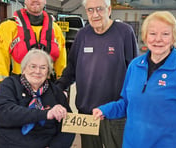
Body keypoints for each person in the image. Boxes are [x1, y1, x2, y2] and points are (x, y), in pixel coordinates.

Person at [93, 11, 176, 148]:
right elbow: (127, 104)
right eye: (153, 33)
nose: (158, 39)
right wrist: (105, 110)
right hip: (132, 143)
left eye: (165, 34)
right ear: (145, 36)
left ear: (174, 37)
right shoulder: (135, 66)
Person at [56, 0, 138, 147]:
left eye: (99, 9)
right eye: (90, 10)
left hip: (115, 114)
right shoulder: (82, 35)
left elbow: (135, 73)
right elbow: (71, 68)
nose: (95, 14)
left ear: (109, 9)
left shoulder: (125, 32)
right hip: (88, 114)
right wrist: (58, 88)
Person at [0, 49, 75, 148]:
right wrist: (46, 114)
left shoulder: (56, 92)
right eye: (33, 66)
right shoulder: (9, 84)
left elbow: (69, 127)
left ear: (48, 72)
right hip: (4, 144)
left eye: (43, 68)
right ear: (24, 68)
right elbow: (5, 113)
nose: (37, 71)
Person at [0, 0, 66, 84]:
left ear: (45, 1)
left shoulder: (56, 29)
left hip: (48, 86)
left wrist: (62, 84)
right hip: (19, 86)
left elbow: (61, 62)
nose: (35, 0)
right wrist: (2, 84)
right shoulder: (8, 27)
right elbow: (1, 59)